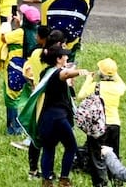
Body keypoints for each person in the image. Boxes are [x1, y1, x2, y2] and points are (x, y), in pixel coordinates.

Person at [32, 45, 83, 185]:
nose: (67, 57)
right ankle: (64, 179)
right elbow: (64, 74)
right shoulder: (57, 73)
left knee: (48, 148)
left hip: (46, 118)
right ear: (58, 59)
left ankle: (47, 180)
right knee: (71, 146)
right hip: (59, 117)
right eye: (64, 56)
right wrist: (79, 72)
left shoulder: (45, 72)